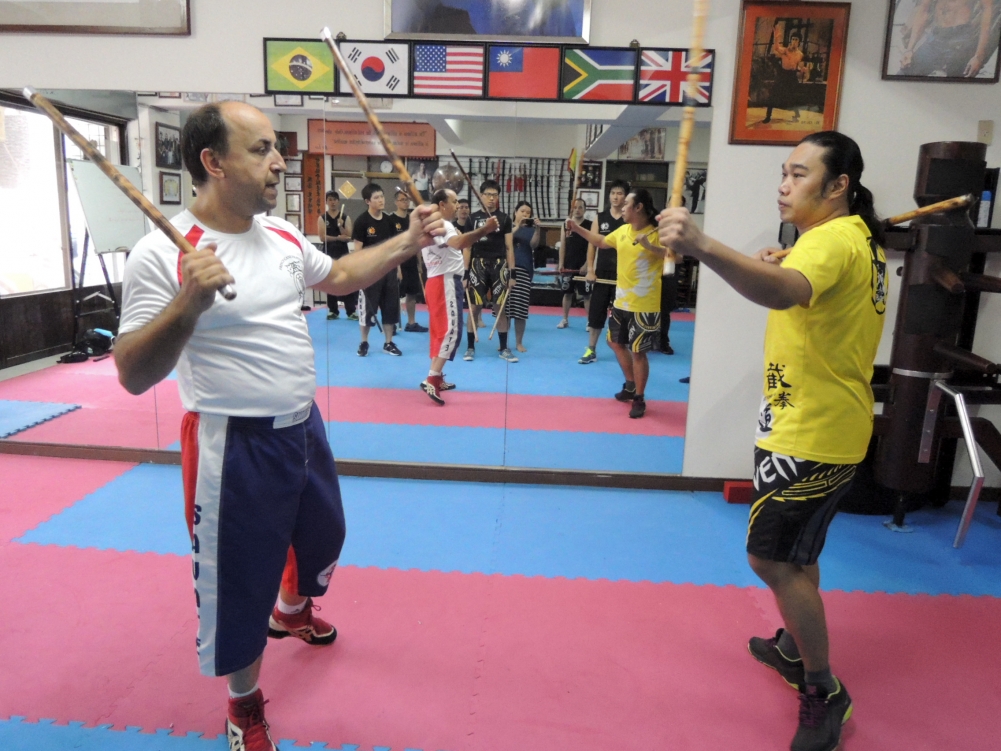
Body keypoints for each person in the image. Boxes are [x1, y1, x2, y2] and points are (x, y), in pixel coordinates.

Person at [113, 101, 443, 751]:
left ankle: (290, 611)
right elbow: (131, 372)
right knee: (241, 580)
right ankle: (244, 707)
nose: (278, 163)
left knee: (323, 536)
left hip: (303, 428)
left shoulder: (282, 235)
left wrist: (409, 240)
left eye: (276, 149)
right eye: (261, 149)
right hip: (232, 445)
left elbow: (339, 275)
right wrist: (188, 303)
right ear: (213, 162)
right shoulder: (162, 252)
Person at [657, 131, 887, 751]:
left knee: (771, 560)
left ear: (838, 185)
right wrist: (785, 263)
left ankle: (823, 689)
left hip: (814, 434)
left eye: (799, 174)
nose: (784, 186)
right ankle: (793, 642)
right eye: (783, 173)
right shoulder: (850, 238)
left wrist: (702, 244)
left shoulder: (832, 241)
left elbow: (784, 293)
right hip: (805, 423)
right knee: (798, 555)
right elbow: (807, 290)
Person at [568, 189, 666, 419]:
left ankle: (639, 397)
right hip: (621, 302)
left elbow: (677, 257)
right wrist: (577, 228)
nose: (621, 208)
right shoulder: (623, 230)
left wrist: (649, 246)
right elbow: (601, 241)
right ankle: (630, 385)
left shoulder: (657, 232)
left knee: (638, 352)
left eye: (626, 204)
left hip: (644, 305)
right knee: (614, 342)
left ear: (638, 207)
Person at [419, 188, 499, 404]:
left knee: (440, 331)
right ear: (442, 204)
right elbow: (459, 243)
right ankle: (432, 378)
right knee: (451, 332)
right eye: (454, 202)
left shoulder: (433, 223)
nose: (457, 206)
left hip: (437, 280)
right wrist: (485, 229)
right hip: (444, 281)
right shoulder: (443, 225)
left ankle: (436, 376)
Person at [465, 179, 518, 362]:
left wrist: (512, 273)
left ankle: (504, 348)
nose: (491, 198)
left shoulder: (505, 219)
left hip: (499, 265)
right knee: (474, 307)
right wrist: (465, 273)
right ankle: (470, 347)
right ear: (481, 196)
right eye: (488, 194)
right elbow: (467, 247)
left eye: (494, 195)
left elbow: (509, 247)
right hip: (477, 264)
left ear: (498, 197)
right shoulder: (472, 219)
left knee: (499, 307)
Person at [578, 180, 628, 365]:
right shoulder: (600, 217)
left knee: (623, 314)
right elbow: (592, 244)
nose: (615, 196)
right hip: (602, 273)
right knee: (596, 312)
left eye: (620, 193)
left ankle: (624, 349)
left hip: (623, 274)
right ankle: (591, 349)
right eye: (613, 193)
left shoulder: (629, 219)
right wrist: (590, 270)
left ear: (626, 197)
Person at [353, 183, 403, 356]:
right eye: (376, 197)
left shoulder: (389, 221)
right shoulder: (362, 222)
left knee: (390, 308)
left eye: (382, 196)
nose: (381, 200)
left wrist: (398, 268)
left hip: (389, 270)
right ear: (367, 201)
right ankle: (364, 342)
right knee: (367, 310)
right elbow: (357, 251)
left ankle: (388, 343)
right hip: (370, 273)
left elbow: (394, 248)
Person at [898, 0, 999, 78]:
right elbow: (924, 10)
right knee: (903, 75)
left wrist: (978, 56)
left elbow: (987, 13)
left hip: (961, 42)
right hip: (936, 38)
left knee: (958, 87)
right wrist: (909, 49)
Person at [391, 189, 429, 333]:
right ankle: (392, 323)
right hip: (397, 261)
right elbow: (391, 245)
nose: (405, 202)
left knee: (412, 293)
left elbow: (417, 242)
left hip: (411, 260)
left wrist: (419, 263)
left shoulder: (412, 220)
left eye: (407, 200)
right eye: (402, 200)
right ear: (396, 202)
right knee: (394, 294)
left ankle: (411, 322)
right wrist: (397, 267)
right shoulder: (391, 220)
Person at [317, 191, 357, 321]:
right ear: (326, 202)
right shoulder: (322, 218)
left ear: (338, 201)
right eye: (330, 199)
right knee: (330, 281)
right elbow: (322, 237)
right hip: (329, 252)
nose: (332, 202)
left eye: (334, 199)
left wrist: (341, 227)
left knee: (346, 280)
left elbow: (349, 237)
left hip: (343, 253)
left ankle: (351, 311)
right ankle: (333, 310)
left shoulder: (345, 217)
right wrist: (338, 237)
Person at [508, 200, 539, 353]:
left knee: (520, 309)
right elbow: (504, 241)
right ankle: (503, 341)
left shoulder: (530, 230)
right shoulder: (507, 226)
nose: (525, 214)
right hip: (506, 269)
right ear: (515, 212)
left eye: (528, 212)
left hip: (524, 269)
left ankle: (519, 342)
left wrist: (538, 229)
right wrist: (517, 227)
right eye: (522, 211)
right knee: (505, 309)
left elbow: (534, 245)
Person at [557, 197, 591, 329]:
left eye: (580, 207)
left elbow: (592, 247)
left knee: (587, 295)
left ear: (585, 210)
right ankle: (564, 319)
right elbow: (563, 246)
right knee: (567, 293)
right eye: (575, 207)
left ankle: (590, 321)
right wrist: (561, 264)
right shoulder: (566, 225)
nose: (577, 210)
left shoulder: (590, 225)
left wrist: (587, 265)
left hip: (583, 266)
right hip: (569, 265)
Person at [762, 26, 804, 125]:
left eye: (796, 39)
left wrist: (801, 69)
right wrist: (776, 38)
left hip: (792, 76)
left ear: (799, 42)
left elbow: (797, 66)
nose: (794, 41)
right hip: (783, 74)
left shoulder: (800, 54)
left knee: (793, 95)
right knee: (773, 94)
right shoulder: (786, 51)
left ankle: (796, 114)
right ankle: (768, 116)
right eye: (793, 39)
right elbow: (776, 48)